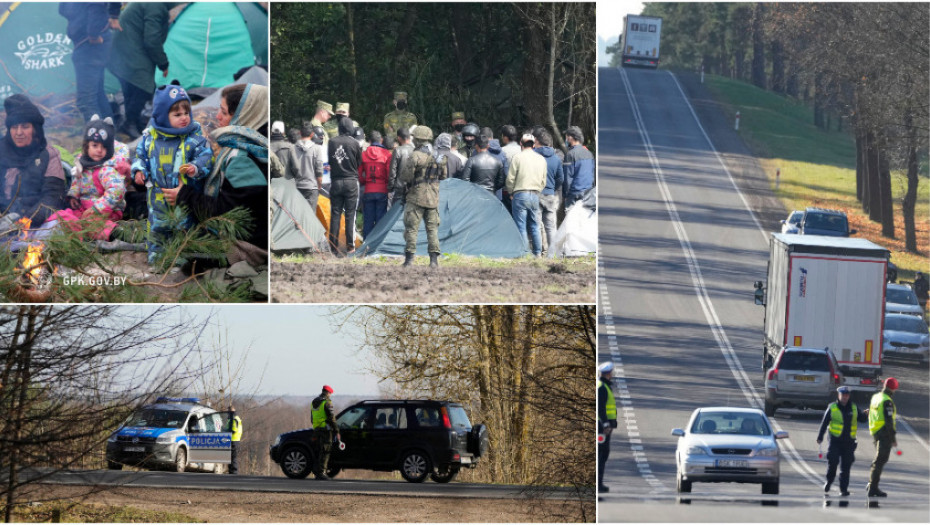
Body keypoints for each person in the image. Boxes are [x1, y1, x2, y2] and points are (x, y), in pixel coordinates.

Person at [163, 83, 269, 265]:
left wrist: (184, 196)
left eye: (224, 112)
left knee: (182, 254)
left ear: (243, 115)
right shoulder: (259, 144)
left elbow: (228, 217)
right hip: (259, 235)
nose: (218, 117)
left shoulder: (242, 160)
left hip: (251, 245)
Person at [132, 82, 214, 264]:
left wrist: (195, 167)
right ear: (162, 116)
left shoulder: (194, 138)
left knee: (184, 229)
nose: (184, 117)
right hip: (157, 198)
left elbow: (206, 156)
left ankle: (181, 260)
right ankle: (157, 260)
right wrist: (139, 170)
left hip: (183, 197)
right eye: (177, 114)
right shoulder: (149, 138)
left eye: (186, 112)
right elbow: (140, 156)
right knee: (157, 229)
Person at [48, 115, 129, 241]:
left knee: (90, 223)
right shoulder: (82, 164)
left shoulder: (107, 169)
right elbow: (77, 181)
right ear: (87, 146)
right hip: (84, 208)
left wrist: (97, 208)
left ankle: (117, 233)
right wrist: (73, 195)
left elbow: (117, 191)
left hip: (106, 211)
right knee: (64, 215)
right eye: (95, 145)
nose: (99, 150)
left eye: (104, 147)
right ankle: (79, 233)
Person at [0, 94, 67, 235]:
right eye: (14, 127)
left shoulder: (49, 155)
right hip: (2, 222)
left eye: (25, 127)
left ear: (35, 129)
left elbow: (53, 197)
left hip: (35, 223)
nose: (19, 133)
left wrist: (22, 220)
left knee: (54, 229)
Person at [108, 2, 172, 138]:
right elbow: (152, 40)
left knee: (131, 88)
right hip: (129, 52)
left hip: (124, 50)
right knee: (143, 88)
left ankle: (135, 121)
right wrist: (163, 63)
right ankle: (129, 123)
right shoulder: (155, 5)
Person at [59, 2, 121, 122]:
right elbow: (63, 9)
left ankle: (98, 138)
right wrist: (114, 15)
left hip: (90, 43)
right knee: (97, 94)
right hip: (91, 40)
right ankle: (109, 135)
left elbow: (96, 7)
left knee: (86, 101)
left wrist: (93, 34)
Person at [399, 126, 447, 268]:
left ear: (418, 139)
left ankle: (409, 260)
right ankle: (434, 261)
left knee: (411, 228)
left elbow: (406, 177)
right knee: (432, 229)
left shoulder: (415, 156)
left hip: (416, 196)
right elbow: (443, 176)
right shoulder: (440, 156)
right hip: (433, 197)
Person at [506, 133, 547, 256]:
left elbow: (510, 179)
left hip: (520, 194)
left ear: (521, 144)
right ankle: (538, 253)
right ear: (534, 145)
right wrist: (537, 190)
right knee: (535, 225)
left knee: (521, 225)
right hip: (535, 194)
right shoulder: (541, 159)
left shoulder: (517, 157)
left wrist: (511, 192)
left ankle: (525, 253)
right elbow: (543, 181)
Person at [816, 386, 859, 497]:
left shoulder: (854, 407)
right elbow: (824, 423)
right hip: (835, 441)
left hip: (849, 443)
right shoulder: (832, 407)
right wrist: (820, 436)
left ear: (849, 396)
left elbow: (862, 418)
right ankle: (829, 481)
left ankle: (843, 490)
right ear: (838, 396)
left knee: (846, 467)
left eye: (847, 395)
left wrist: (866, 414)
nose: (845, 397)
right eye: (843, 395)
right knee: (833, 463)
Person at [328, 118, 361, 255]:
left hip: (336, 181)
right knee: (350, 214)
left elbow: (331, 159)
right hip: (351, 181)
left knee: (335, 214)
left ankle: (333, 247)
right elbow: (359, 162)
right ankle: (350, 247)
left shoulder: (332, 142)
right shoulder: (355, 143)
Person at [867, 377, 898, 497]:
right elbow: (889, 421)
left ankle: (872, 484)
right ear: (894, 388)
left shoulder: (876, 397)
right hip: (884, 434)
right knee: (880, 461)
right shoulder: (887, 401)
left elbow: (872, 412)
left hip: (875, 431)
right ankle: (873, 487)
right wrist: (893, 439)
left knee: (878, 460)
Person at [534, 130, 564, 255]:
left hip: (536, 193)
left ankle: (540, 251)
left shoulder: (534, 156)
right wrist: (552, 188)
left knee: (537, 224)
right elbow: (560, 178)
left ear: (537, 142)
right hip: (550, 194)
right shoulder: (556, 158)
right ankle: (553, 254)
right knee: (551, 226)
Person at [359, 131, 391, 237]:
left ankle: (366, 246)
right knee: (381, 220)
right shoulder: (387, 154)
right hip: (382, 190)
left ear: (369, 141)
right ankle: (378, 246)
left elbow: (359, 174)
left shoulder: (363, 154)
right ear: (381, 140)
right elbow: (388, 175)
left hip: (368, 189)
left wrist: (364, 182)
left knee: (368, 219)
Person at [311, 385, 340, 480]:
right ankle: (322, 473)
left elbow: (312, 417)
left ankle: (316, 472)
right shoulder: (327, 403)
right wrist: (336, 430)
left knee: (318, 450)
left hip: (316, 429)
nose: (330, 395)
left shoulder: (314, 401)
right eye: (330, 393)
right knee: (325, 451)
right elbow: (332, 418)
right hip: (326, 430)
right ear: (328, 393)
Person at [294, 123, 325, 213]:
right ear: (312, 134)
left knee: (297, 216)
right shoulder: (316, 149)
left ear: (300, 133)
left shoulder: (292, 148)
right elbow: (319, 170)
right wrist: (319, 185)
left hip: (297, 186)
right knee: (310, 217)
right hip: (312, 187)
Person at [562, 126, 595, 209]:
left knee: (571, 220)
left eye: (566, 136)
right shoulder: (589, 153)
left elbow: (567, 178)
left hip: (574, 195)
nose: (566, 139)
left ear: (570, 138)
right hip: (588, 193)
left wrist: (565, 195)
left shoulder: (570, 154)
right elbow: (592, 173)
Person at [598, 362, 617, 494]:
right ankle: (598, 484)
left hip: (605, 426)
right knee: (601, 454)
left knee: (603, 454)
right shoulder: (602, 387)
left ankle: (600, 483)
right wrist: (605, 424)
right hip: (602, 428)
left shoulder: (603, 386)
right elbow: (600, 408)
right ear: (608, 374)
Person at [388, 127, 413, 208]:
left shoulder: (397, 150)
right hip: (412, 187)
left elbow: (392, 171)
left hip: (399, 187)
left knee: (395, 212)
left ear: (399, 138)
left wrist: (390, 188)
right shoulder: (415, 150)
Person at [229, 405, 242, 475]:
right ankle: (232, 472)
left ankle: (234, 473)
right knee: (231, 457)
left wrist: (227, 431)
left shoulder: (234, 419)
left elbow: (234, 430)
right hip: (235, 440)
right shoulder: (236, 418)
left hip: (234, 440)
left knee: (233, 458)